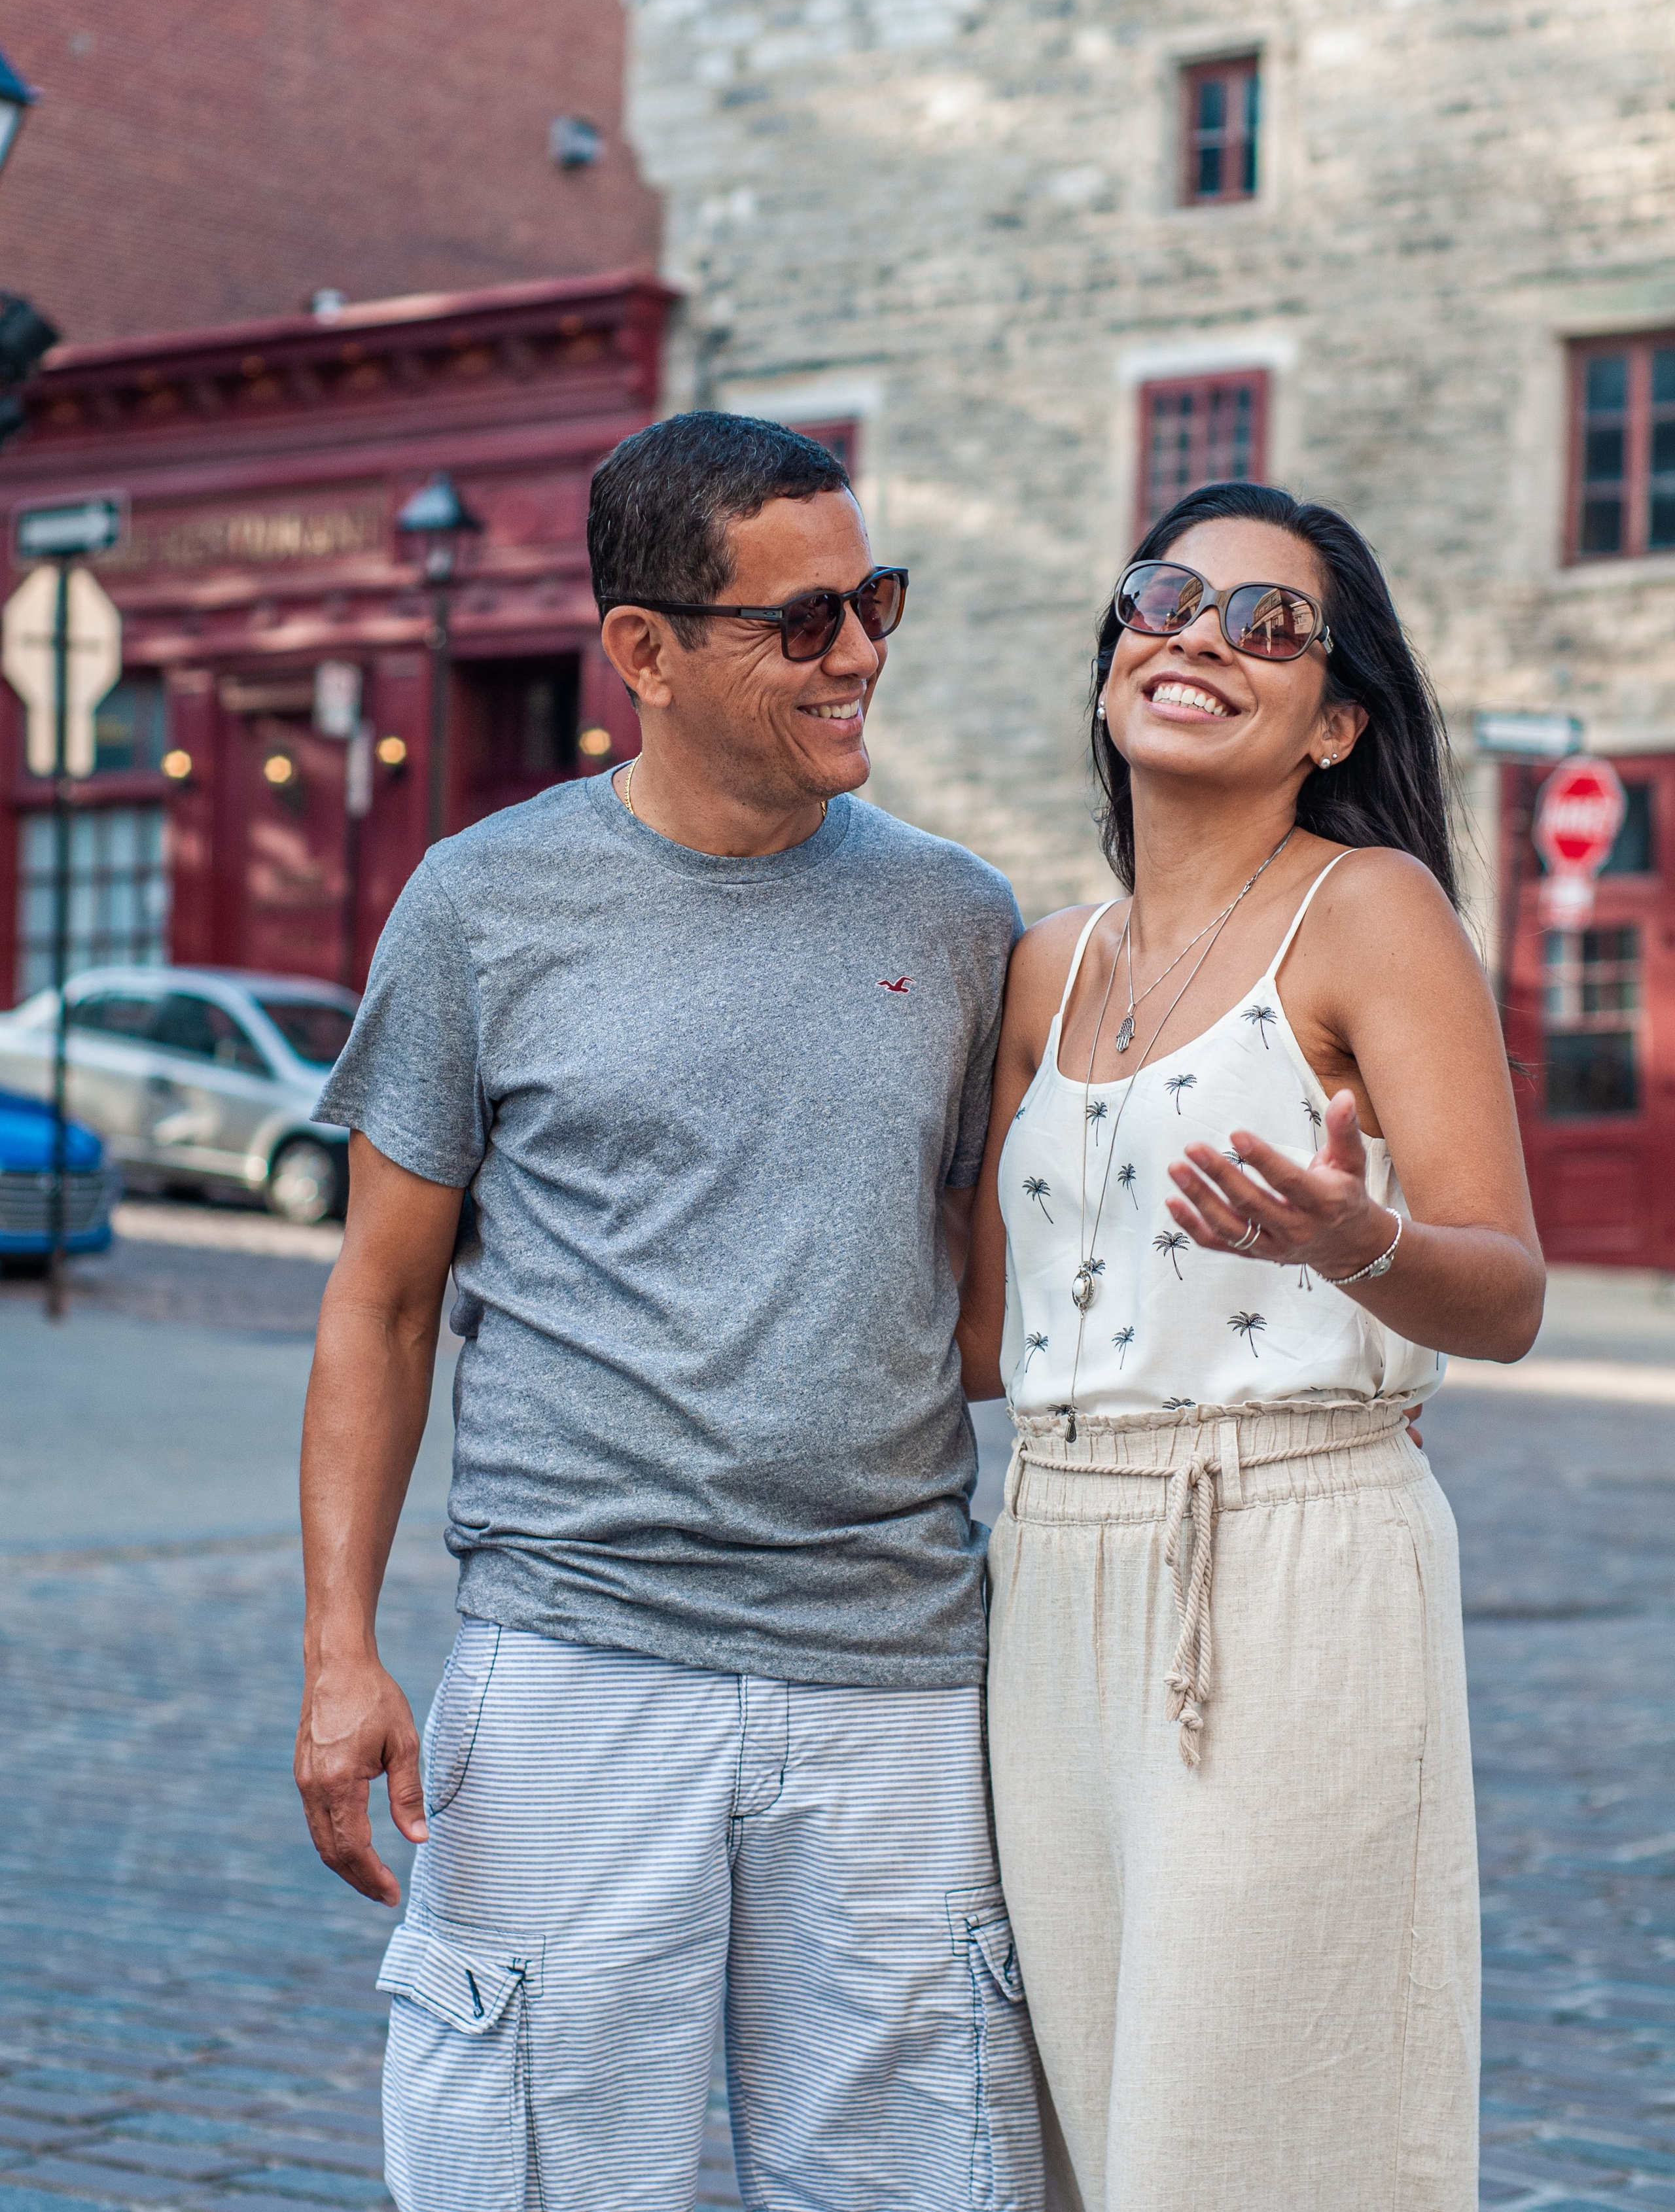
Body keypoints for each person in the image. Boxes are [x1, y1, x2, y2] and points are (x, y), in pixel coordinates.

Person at [293, 412, 1044, 2212]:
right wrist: (340, 1652)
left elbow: (988, 1321)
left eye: (875, 600)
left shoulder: (958, 920)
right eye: (801, 623)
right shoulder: (484, 903)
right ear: (643, 651)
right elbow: (382, 1305)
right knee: (535, 2175)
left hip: (900, 1677)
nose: (858, 651)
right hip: (575, 1662)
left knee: (928, 2183)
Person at [956, 481, 1544, 2212]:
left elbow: (1503, 1290)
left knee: (1253, 2144)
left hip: (1281, 1565)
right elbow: (984, 1341)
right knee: (1088, 2126)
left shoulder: (1367, 914)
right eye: (1166, 596)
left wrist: (1351, 1240)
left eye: (1269, 622)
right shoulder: (1043, 971)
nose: (1202, 633)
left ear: (1334, 716)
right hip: (1049, 1565)